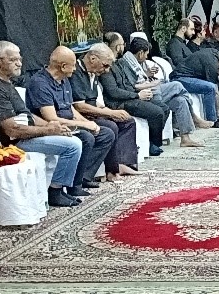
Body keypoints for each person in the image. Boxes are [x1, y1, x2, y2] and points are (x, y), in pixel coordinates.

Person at [0, 41, 85, 207]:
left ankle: (63, 188)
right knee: (73, 146)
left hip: (24, 136)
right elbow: (12, 130)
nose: (19, 63)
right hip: (12, 144)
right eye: (13, 60)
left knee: (71, 137)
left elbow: (27, 116)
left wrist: (53, 128)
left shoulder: (6, 83)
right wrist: (47, 131)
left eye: (19, 59)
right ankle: (55, 190)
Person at [24, 47, 115, 191]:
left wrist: (87, 122)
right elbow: (51, 118)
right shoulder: (40, 83)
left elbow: (70, 108)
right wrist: (84, 126)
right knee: (86, 137)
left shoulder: (64, 79)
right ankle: (72, 185)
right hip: (53, 127)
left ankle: (84, 177)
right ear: (63, 66)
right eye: (73, 65)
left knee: (106, 133)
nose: (75, 69)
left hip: (70, 123)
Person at [122, 36, 213, 146]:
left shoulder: (135, 62)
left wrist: (148, 74)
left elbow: (140, 78)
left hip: (154, 91)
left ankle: (185, 138)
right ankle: (194, 117)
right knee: (177, 85)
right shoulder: (126, 63)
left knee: (181, 101)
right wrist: (152, 83)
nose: (146, 57)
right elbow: (133, 85)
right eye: (146, 54)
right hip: (148, 93)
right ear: (141, 53)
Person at [70, 44, 140, 180]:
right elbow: (79, 106)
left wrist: (109, 110)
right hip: (81, 116)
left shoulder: (94, 72)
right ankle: (110, 170)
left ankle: (123, 163)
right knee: (110, 126)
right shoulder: (76, 72)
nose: (107, 70)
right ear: (92, 59)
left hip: (93, 112)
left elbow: (92, 100)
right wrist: (110, 114)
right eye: (105, 65)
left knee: (127, 121)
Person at [99, 35, 171, 156]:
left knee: (164, 108)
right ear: (118, 47)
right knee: (157, 112)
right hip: (119, 103)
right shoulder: (106, 67)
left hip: (130, 96)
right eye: (122, 44)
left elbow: (127, 84)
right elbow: (114, 92)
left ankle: (153, 141)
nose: (125, 46)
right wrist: (137, 95)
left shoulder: (118, 63)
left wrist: (139, 93)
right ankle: (153, 145)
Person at [166, 20, 219, 126]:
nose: (193, 32)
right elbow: (178, 62)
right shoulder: (174, 44)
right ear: (183, 29)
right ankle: (213, 119)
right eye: (192, 29)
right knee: (211, 87)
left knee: (217, 83)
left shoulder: (182, 44)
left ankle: (217, 115)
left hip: (189, 75)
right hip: (181, 77)